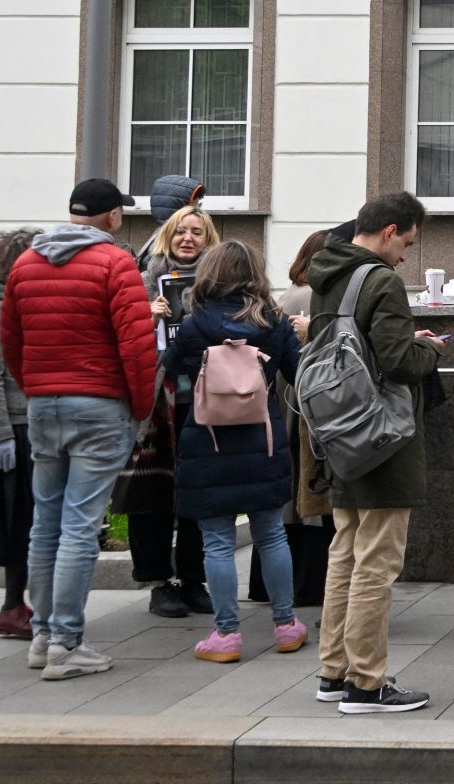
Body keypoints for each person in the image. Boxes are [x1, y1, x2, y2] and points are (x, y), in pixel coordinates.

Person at [0, 179, 158, 680]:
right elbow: (137, 347)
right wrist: (139, 408)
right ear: (112, 217)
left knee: (44, 523)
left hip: (44, 405)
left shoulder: (25, 264)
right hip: (99, 404)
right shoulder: (116, 264)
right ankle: (67, 643)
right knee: (79, 527)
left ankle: (44, 635)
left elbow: (12, 341)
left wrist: (36, 390)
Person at [307, 191, 444, 715]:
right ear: (390, 230)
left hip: (340, 433)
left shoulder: (328, 273)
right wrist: (427, 347)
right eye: (406, 242)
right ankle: (367, 683)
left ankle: (333, 671)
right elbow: (399, 362)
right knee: (377, 564)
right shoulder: (380, 280)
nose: (405, 255)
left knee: (344, 553)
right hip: (381, 436)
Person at [168, 240, 307, 663]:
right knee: (272, 533)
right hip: (260, 440)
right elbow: (297, 371)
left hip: (207, 441)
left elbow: (172, 367)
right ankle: (285, 626)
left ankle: (226, 635)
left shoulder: (193, 326)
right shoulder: (274, 321)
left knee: (216, 541)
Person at [125, 204, 220, 619]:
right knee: (153, 493)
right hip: (156, 406)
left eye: (197, 233)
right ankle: (159, 583)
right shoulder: (142, 281)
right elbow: (120, 338)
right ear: (167, 236)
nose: (188, 239)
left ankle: (194, 580)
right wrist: (147, 317)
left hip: (206, 400)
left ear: (208, 239)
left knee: (200, 493)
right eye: (181, 231)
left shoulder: (220, 283)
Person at [256, 228, 332, 608]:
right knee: (304, 488)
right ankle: (304, 582)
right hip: (301, 401)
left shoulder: (289, 294)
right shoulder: (312, 297)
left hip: (284, 396)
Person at [0, 228, 42, 640]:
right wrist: (0, 435)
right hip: (11, 428)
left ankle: (14, 606)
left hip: (20, 424)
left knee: (19, 522)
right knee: (11, 524)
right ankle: (11, 606)